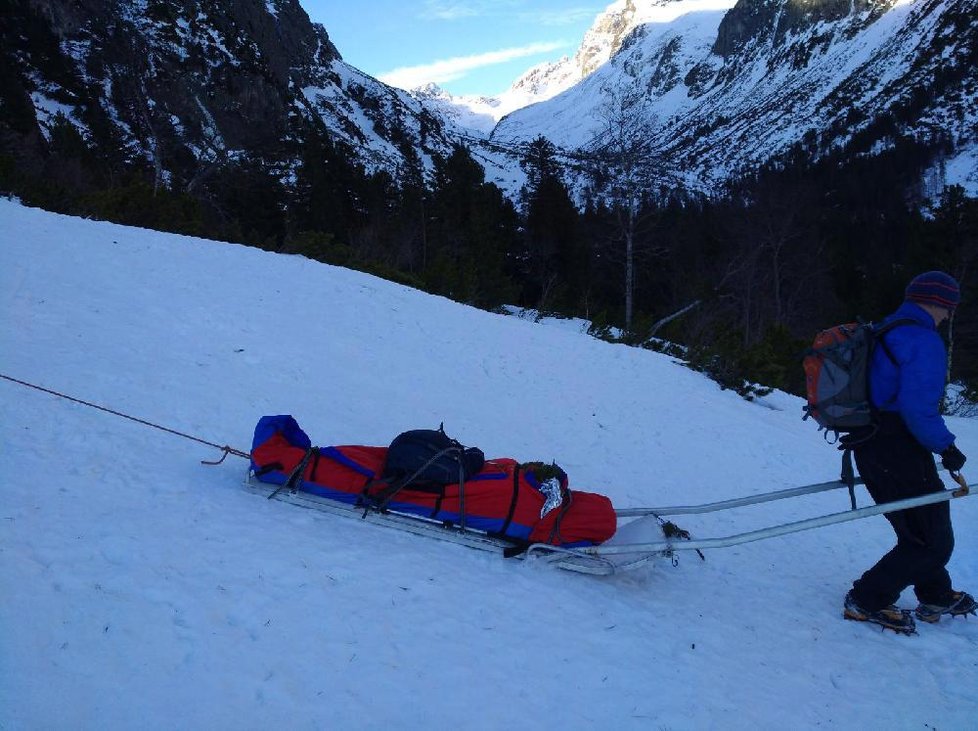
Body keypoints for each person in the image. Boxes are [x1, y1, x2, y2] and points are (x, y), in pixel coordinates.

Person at [843, 271, 976, 633]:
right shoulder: (921, 340)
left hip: (869, 444)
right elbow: (918, 408)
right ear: (938, 302)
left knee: (919, 530)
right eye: (949, 307)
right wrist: (946, 447)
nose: (949, 315)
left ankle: (936, 593)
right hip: (897, 449)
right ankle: (866, 599)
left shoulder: (884, 329)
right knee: (933, 542)